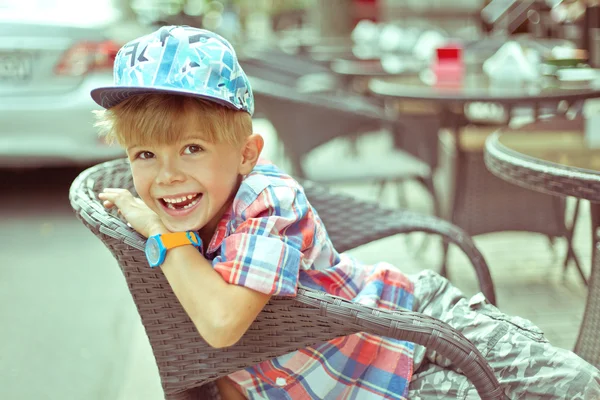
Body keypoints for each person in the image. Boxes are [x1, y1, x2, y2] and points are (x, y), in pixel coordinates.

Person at [93, 25, 600, 400]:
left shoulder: (267, 201)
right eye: (145, 155)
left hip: (413, 323)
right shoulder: (179, 218)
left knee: (575, 384)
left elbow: (223, 323)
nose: (167, 176)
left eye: (192, 149)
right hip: (373, 383)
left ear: (247, 155)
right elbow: (219, 343)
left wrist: (161, 232)